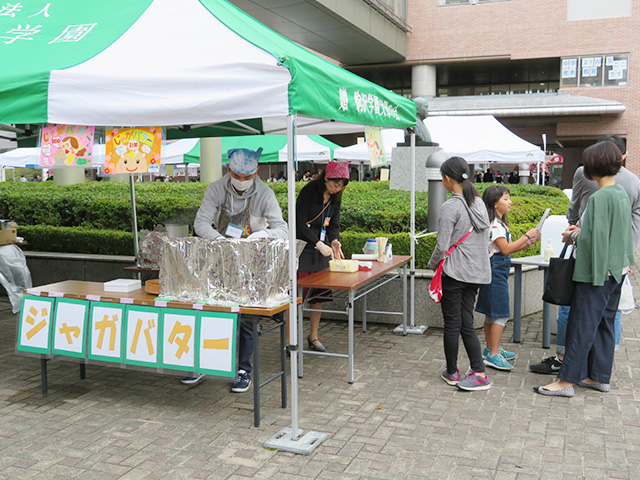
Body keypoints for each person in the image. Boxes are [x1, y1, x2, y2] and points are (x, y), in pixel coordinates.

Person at [530, 135, 640, 374]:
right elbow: (619, 230)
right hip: (615, 269)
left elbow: (594, 239)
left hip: (595, 271)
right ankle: (599, 376)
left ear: (593, 167)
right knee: (605, 324)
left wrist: (573, 235)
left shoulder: (600, 197)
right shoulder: (621, 192)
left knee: (582, 324)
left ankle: (566, 380)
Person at [183, 147, 288, 392]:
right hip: (217, 261)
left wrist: (263, 234)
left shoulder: (265, 193)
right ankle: (202, 363)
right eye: (237, 176)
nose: (241, 182)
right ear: (228, 169)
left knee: (245, 320)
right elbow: (201, 222)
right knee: (209, 312)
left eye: (246, 177)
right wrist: (219, 241)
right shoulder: (216, 189)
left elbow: (282, 229)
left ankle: (243, 370)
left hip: (250, 264)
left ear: (257, 172)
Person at [427, 156, 492, 391]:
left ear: (446, 178)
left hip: (454, 272)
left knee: (453, 323)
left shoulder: (450, 206)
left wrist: (432, 264)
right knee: (467, 322)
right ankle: (478, 370)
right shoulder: (479, 204)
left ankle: (453, 372)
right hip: (476, 273)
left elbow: (442, 246)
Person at [475, 185, 540, 370]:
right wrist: (527, 235)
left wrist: (527, 242)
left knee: (492, 313)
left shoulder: (499, 223)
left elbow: (508, 246)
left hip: (495, 270)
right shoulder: (495, 225)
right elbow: (505, 249)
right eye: (505, 198)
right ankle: (493, 354)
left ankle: (490, 350)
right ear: (495, 204)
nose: (509, 201)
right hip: (495, 272)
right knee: (500, 314)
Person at [294, 161, 349, 350]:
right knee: (296, 297)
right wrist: (316, 243)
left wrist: (334, 241)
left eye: (341, 186)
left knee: (319, 296)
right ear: (326, 178)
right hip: (302, 247)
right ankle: (289, 340)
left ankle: (314, 336)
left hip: (321, 249)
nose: (337, 189)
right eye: (335, 184)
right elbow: (299, 222)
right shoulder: (308, 192)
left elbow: (333, 224)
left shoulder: (336, 197)